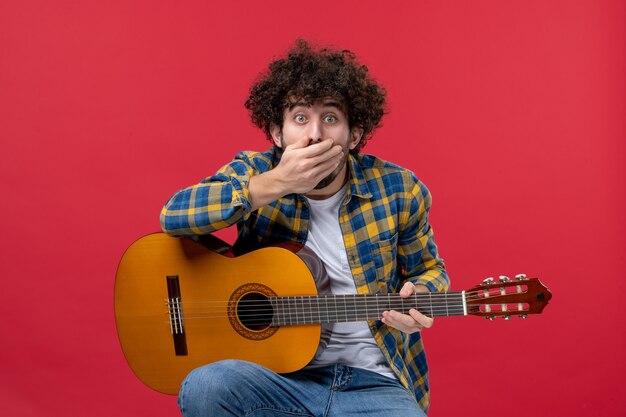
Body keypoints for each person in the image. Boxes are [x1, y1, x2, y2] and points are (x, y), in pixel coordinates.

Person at [160, 39, 449, 417]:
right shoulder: (255, 172)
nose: (314, 134)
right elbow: (173, 215)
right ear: (278, 135)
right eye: (300, 118)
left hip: (374, 381)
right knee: (207, 386)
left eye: (330, 118)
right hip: (276, 377)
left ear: (354, 135)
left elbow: (431, 270)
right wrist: (275, 184)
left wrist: (423, 293)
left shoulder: (399, 188)